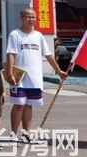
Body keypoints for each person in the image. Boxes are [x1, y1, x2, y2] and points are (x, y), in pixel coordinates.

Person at [6, 8, 68, 142]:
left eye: (33, 17)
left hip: (34, 78)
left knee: (29, 105)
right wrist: (10, 73)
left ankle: (26, 134)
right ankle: (13, 135)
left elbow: (48, 55)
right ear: (21, 18)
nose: (31, 19)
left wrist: (59, 71)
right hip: (19, 77)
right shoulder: (15, 34)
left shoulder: (39, 36)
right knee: (19, 105)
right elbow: (11, 54)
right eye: (28, 17)